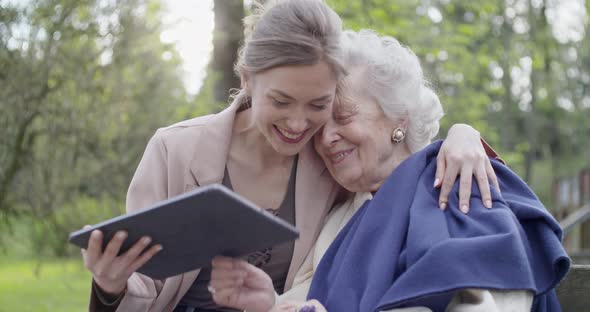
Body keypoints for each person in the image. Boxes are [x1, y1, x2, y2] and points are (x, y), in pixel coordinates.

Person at [81, 1, 503, 311]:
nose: (300, 124)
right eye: (282, 101)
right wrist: (108, 286)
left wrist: (463, 135)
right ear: (247, 80)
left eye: (319, 105)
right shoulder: (176, 150)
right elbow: (140, 287)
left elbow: (397, 156)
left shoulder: (329, 164)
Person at [208, 30, 570, 312]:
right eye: (320, 126)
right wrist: (269, 303)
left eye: (344, 115)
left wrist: (463, 131)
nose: (327, 138)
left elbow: (497, 300)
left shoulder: (456, 183)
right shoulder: (341, 217)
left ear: (399, 118)